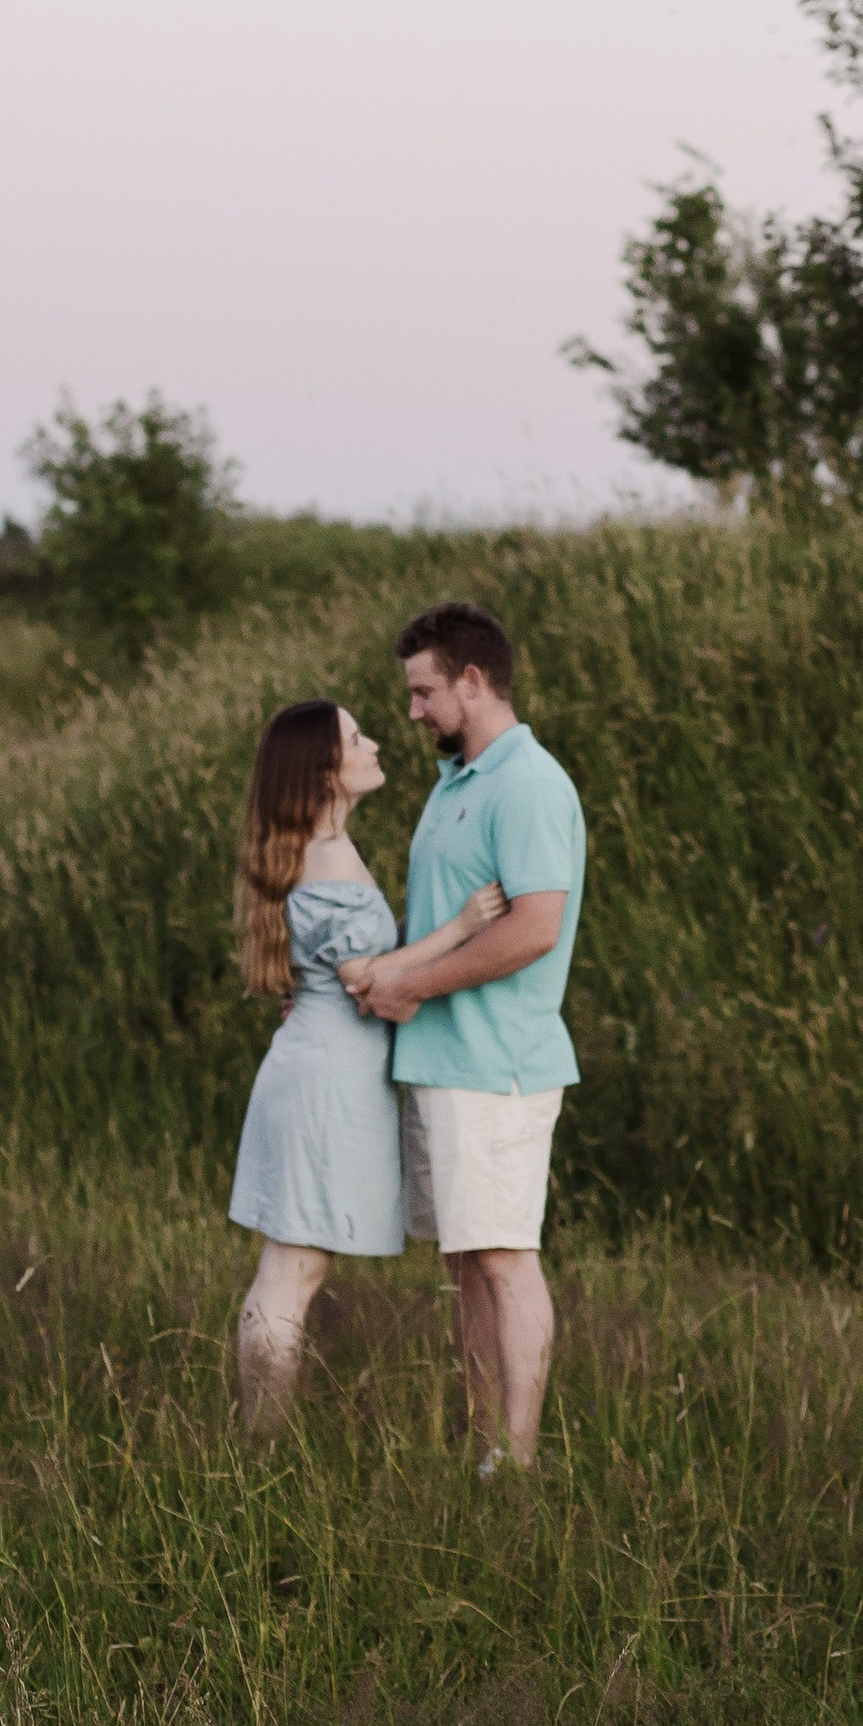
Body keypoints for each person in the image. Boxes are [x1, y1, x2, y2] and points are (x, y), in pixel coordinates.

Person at [341, 601, 586, 1477]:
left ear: (474, 683)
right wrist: (381, 969)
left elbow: (533, 930)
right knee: (465, 1264)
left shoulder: (528, 784)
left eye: (425, 692)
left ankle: (516, 1464)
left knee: (506, 1259)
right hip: (443, 1067)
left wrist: (409, 983)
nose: (412, 713)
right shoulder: (459, 782)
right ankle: (484, 1446)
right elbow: (453, 922)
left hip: (499, 1069)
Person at [226, 698, 506, 1438]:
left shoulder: (318, 851)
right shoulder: (332, 859)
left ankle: (260, 1440)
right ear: (325, 773)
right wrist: (463, 928)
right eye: (356, 738)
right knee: (291, 1271)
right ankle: (259, 1447)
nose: (375, 743)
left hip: (314, 1068)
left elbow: (349, 962)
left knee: (292, 1268)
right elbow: (364, 977)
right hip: (326, 1084)